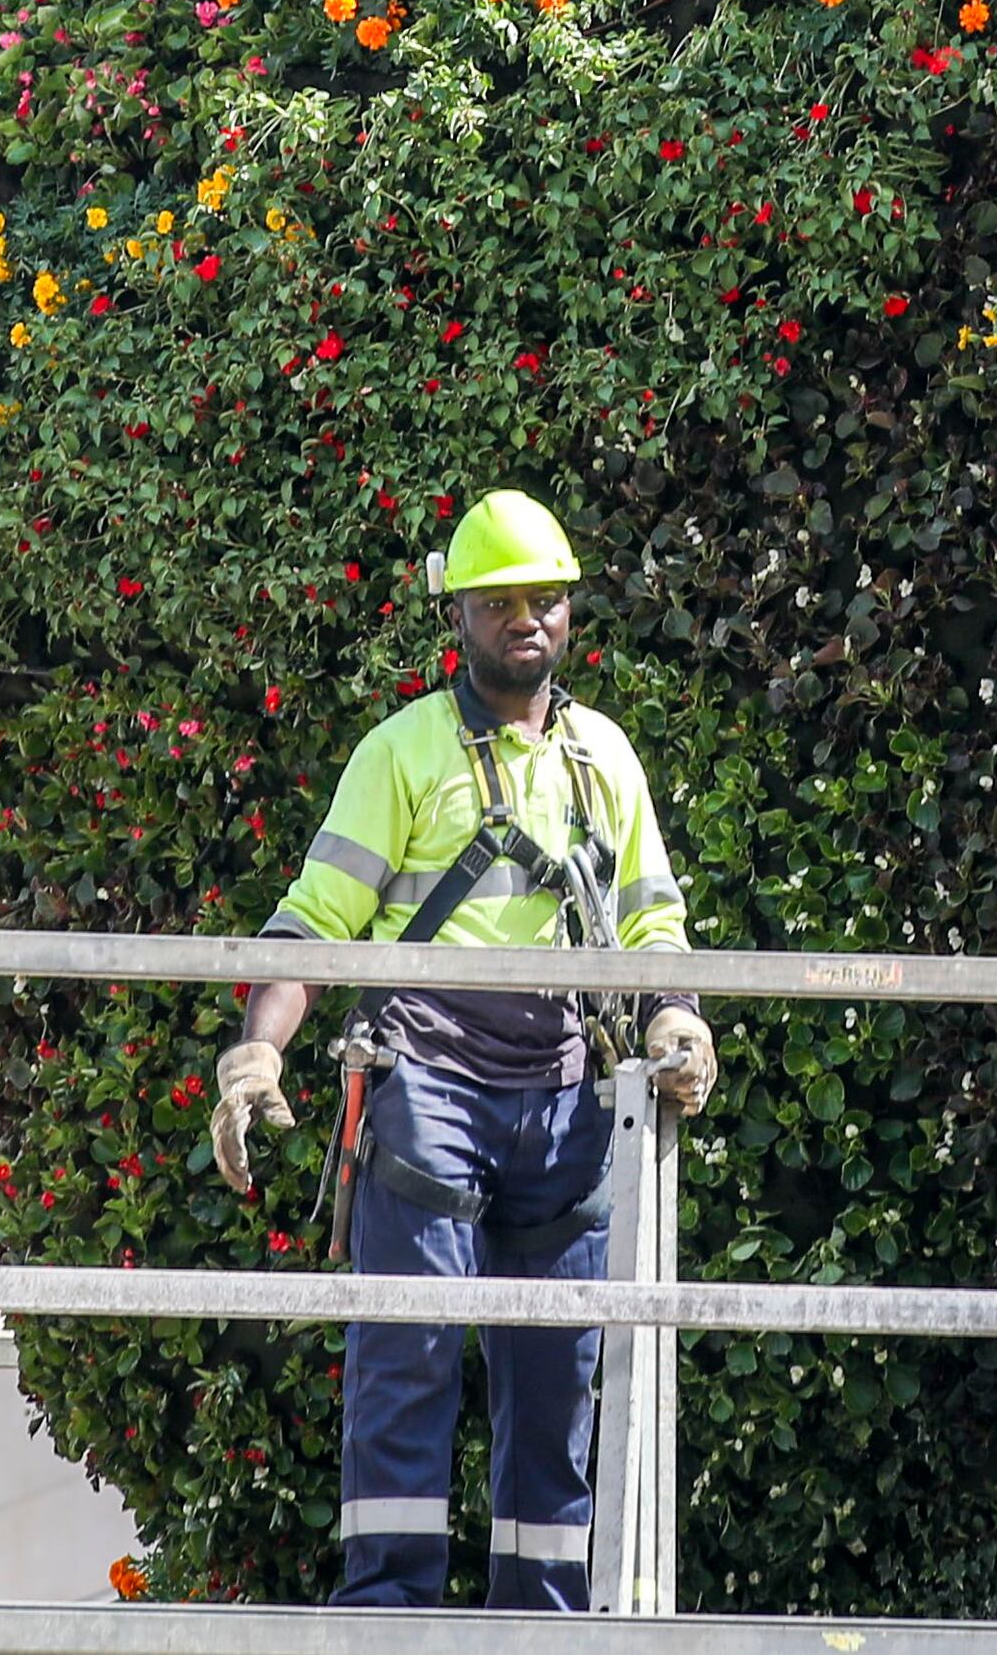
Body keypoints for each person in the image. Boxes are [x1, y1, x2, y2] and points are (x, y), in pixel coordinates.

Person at [210, 489, 716, 1611]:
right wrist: (256, 1052)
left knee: (555, 1378)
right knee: (412, 1350)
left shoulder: (603, 760)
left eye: (543, 599)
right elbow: (312, 927)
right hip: (425, 1081)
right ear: (460, 617)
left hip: (566, 1091)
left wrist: (677, 1016)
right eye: (499, 603)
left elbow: (648, 923)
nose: (524, 619)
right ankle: (385, 1619)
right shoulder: (402, 754)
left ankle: (539, 1625)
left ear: (569, 611)